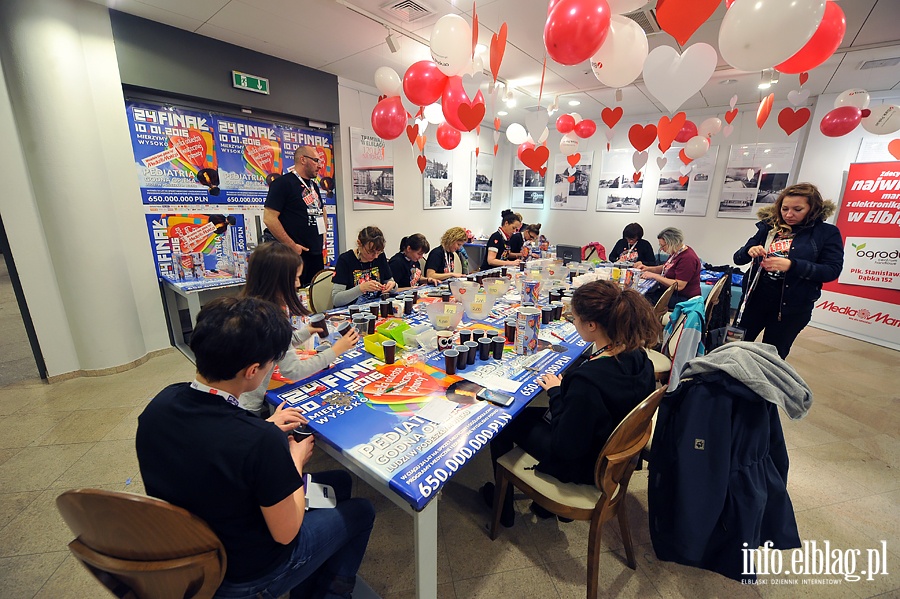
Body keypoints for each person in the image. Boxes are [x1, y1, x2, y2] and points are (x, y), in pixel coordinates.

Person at [136, 296, 375, 598]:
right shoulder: (259, 441)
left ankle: (314, 579)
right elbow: (286, 533)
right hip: (248, 574)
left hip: (197, 545)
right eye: (270, 363)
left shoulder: (160, 405)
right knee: (362, 510)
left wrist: (266, 427)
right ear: (252, 371)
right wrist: (295, 460)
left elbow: (217, 443)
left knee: (339, 482)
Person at [480, 280, 660, 527]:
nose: (572, 322)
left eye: (573, 318)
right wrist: (567, 393)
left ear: (591, 325)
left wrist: (556, 392)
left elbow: (565, 447)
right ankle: (542, 509)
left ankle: (504, 511)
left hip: (584, 464)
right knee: (532, 415)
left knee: (504, 422)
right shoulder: (640, 358)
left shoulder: (587, 381)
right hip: (606, 444)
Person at [238, 242, 360, 418]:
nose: (298, 283)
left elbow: (280, 343)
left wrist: (308, 330)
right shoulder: (268, 317)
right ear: (276, 279)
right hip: (247, 405)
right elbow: (294, 371)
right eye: (295, 278)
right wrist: (336, 350)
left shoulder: (257, 305)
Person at [733, 182, 843, 359]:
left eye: (797, 209)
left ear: (812, 209)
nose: (789, 214)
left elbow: (832, 270)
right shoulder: (769, 227)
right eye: (785, 208)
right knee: (733, 348)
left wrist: (793, 265)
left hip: (791, 308)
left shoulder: (826, 233)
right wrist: (749, 251)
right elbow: (738, 258)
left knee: (771, 357)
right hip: (754, 300)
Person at [264, 146, 326, 287]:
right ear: (303, 160)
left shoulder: (313, 186)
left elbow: (320, 208)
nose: (319, 165)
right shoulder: (282, 184)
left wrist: (323, 231)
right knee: (295, 297)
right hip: (294, 256)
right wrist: (291, 245)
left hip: (315, 253)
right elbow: (269, 218)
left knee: (314, 294)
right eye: (316, 161)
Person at [636, 227, 701, 309]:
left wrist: (654, 276)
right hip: (671, 293)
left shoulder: (687, 258)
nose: (661, 249)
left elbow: (679, 285)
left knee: (640, 301)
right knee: (645, 295)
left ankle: (646, 320)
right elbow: (666, 267)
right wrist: (648, 268)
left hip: (684, 298)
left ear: (672, 243)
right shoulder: (677, 252)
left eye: (663, 246)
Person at [332, 226, 396, 307]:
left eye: (379, 252)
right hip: (353, 311)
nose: (376, 256)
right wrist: (361, 288)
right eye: (371, 252)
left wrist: (392, 286)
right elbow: (336, 300)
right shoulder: (345, 260)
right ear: (359, 243)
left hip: (376, 308)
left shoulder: (380, 256)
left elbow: (392, 283)